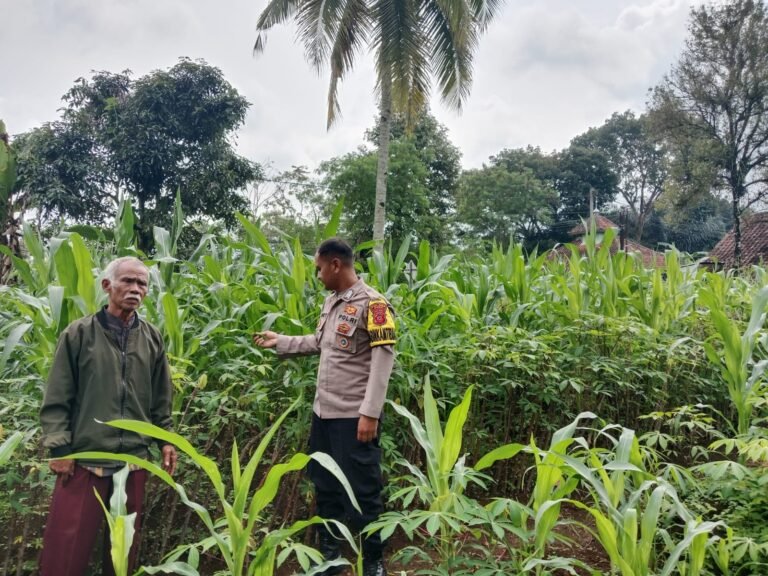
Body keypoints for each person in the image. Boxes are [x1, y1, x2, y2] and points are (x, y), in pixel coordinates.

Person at [253, 238, 395, 576]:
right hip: (324, 414)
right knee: (325, 484)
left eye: (318, 269)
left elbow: (383, 360)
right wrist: (281, 341)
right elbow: (321, 343)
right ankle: (331, 558)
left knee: (363, 490)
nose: (317, 275)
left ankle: (373, 561)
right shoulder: (332, 302)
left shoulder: (374, 305)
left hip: (354, 417)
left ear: (335, 264)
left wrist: (369, 413)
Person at [39, 256, 178, 576]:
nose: (135, 289)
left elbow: (161, 397)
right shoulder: (79, 334)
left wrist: (165, 440)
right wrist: (60, 448)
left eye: (142, 284)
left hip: (133, 462)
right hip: (85, 460)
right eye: (127, 281)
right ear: (107, 285)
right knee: (66, 551)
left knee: (122, 555)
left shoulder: (151, 337)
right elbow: (58, 395)